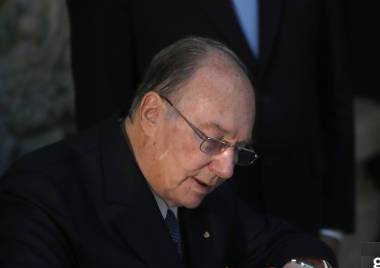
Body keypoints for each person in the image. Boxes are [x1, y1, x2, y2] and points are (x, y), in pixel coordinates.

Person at [0, 38, 337, 268]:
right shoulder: (43, 187)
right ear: (151, 114)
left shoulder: (203, 182)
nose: (227, 169)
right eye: (213, 141)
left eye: (238, 149)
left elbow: (281, 239)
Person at [66, 0, 355, 253]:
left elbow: (332, 84)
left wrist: (332, 227)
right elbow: (101, 100)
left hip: (298, 209)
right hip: (184, 227)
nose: (228, 167)